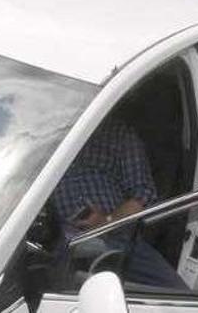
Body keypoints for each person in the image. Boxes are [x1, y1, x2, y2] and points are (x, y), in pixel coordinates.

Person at [52, 118, 187, 289]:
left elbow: (144, 194)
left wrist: (107, 221)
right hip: (56, 241)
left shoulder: (117, 134)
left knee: (176, 293)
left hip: (113, 236)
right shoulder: (42, 135)